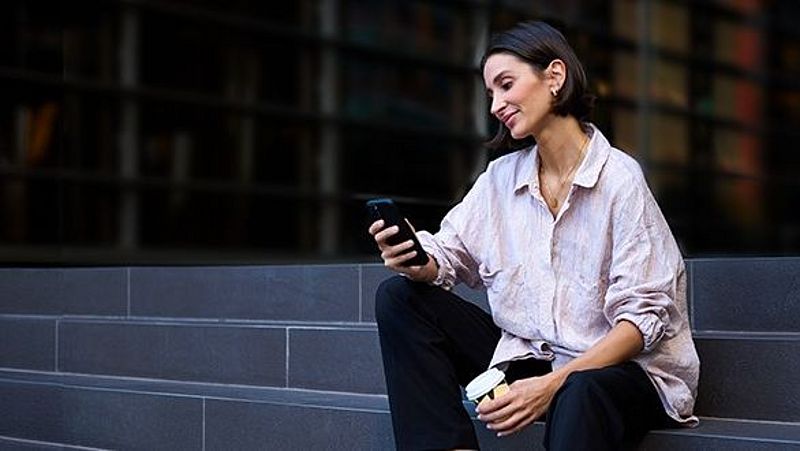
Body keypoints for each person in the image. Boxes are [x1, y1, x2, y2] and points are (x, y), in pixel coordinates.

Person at [368, 21, 699, 451]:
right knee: (399, 298)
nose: (497, 106)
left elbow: (641, 323)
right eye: (491, 95)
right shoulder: (500, 179)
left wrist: (550, 385)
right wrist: (414, 255)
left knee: (580, 391)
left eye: (506, 85)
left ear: (555, 77)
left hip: (619, 371)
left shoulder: (619, 179)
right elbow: (450, 253)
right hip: (531, 358)